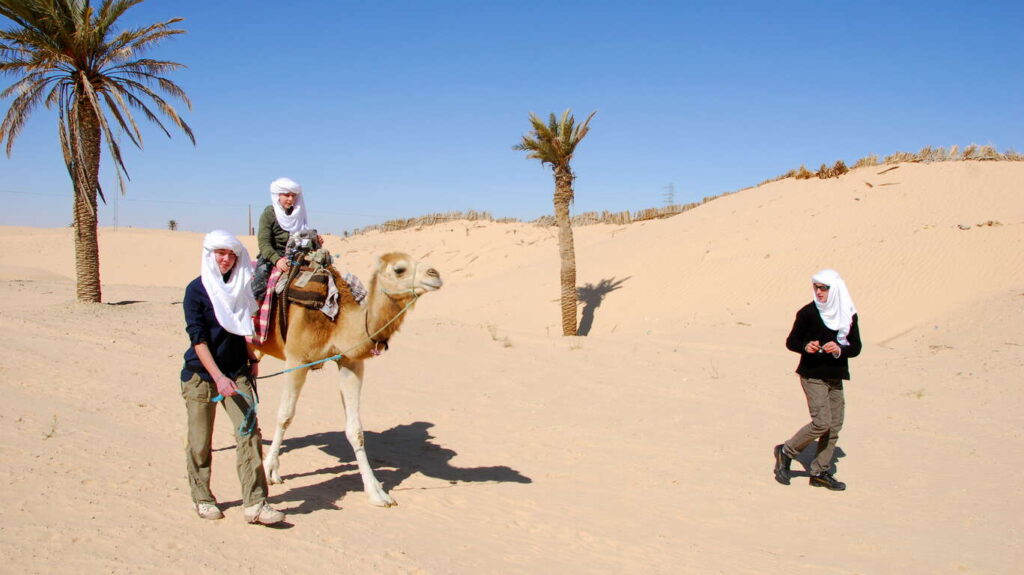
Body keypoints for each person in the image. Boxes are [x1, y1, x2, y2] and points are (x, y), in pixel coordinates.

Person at [180, 230, 285, 524]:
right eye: (220, 254)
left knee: (249, 433)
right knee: (200, 440)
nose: (226, 260)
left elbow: (242, 327)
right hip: (201, 376)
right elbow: (198, 339)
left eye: (231, 255)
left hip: (237, 372)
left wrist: (252, 359)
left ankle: (256, 503)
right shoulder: (196, 290)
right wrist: (218, 377)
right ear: (210, 255)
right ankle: (202, 497)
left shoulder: (240, 287)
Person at [773, 269, 862, 491]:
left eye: (824, 288)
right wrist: (806, 346)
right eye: (816, 287)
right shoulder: (808, 313)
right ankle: (786, 451)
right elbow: (792, 341)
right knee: (822, 422)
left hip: (835, 375)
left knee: (834, 426)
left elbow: (856, 347)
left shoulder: (848, 314)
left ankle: (820, 471)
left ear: (835, 289)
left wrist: (840, 348)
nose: (819, 292)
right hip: (812, 374)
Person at [253, 177, 312, 301]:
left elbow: (303, 236)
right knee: (260, 279)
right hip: (272, 256)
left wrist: (314, 241)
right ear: (277, 195)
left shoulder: (297, 214)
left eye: (293, 195)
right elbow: (264, 243)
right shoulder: (269, 214)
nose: (290, 199)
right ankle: (254, 310)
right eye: (287, 195)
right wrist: (277, 260)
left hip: (295, 255)